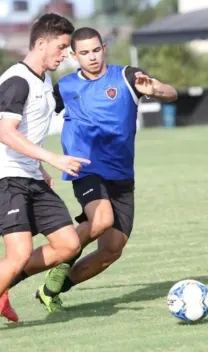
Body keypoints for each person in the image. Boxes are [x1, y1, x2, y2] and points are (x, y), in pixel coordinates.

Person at [33, 27, 179, 312]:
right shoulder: (64, 87)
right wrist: (37, 161)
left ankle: (53, 288)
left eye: (96, 50)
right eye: (84, 53)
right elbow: (36, 120)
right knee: (100, 221)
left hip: (122, 175)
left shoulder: (127, 76)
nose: (92, 57)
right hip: (85, 168)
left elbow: (171, 93)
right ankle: (60, 259)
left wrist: (155, 90)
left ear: (105, 47)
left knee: (111, 251)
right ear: (74, 56)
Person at [0, 14, 90, 336]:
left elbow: (30, 133)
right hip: (5, 177)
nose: (65, 54)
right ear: (42, 43)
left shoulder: (44, 79)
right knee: (18, 253)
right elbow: (7, 133)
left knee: (68, 244)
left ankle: (1, 282)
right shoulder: (17, 81)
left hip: (31, 173)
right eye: (62, 47)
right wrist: (53, 159)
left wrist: (42, 168)